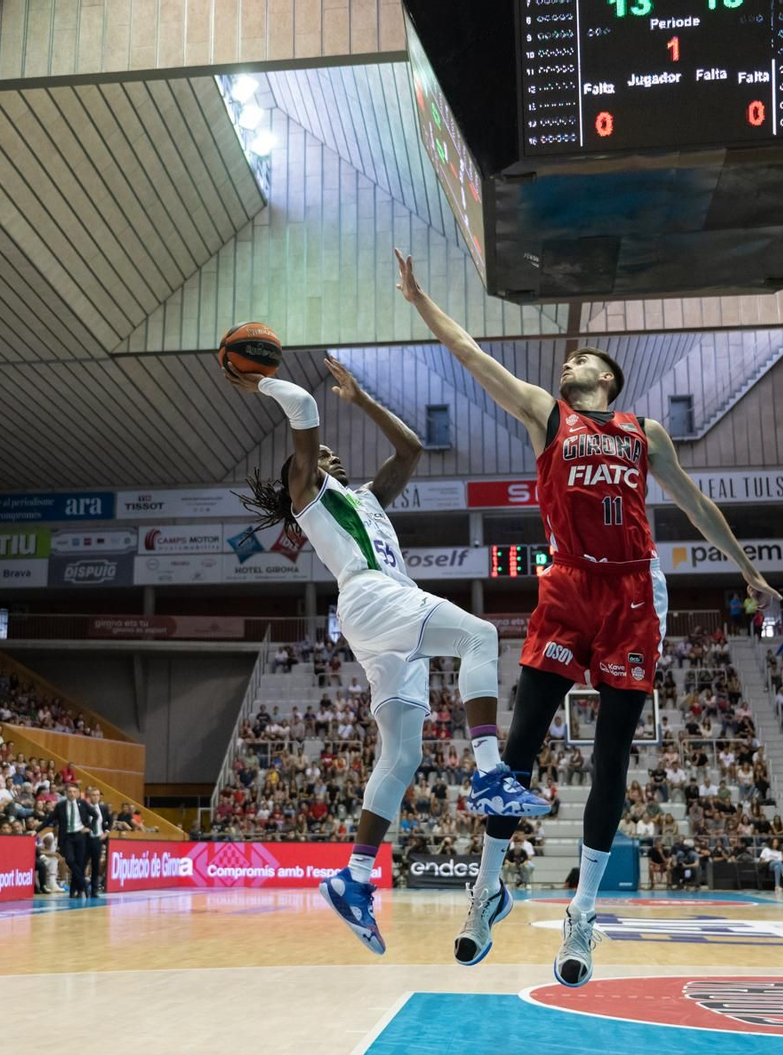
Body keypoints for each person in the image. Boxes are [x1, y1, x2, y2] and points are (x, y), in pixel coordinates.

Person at [395, 250, 777, 986]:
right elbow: (473, 356)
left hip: (633, 592)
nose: (567, 362)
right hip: (568, 585)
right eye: (566, 359)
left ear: (606, 377)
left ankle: (584, 913)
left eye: (580, 358)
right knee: (517, 752)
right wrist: (419, 302)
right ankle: (487, 892)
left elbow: (697, 504)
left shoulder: (645, 433)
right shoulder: (547, 412)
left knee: (610, 760)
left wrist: (748, 568)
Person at [226, 353, 547, 957]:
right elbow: (302, 408)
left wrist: (364, 400)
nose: (330, 455)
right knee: (480, 635)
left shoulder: (367, 497)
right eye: (320, 454)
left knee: (402, 754)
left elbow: (411, 449)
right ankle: (488, 775)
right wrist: (261, 381)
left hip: (380, 616)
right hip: (375, 598)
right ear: (304, 467)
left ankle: (354, 876)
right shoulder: (309, 493)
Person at [51, 784, 95, 898]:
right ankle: (84, 884)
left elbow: (95, 815)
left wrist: (89, 827)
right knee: (70, 860)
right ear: (66, 793)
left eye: (74, 791)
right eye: (69, 791)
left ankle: (74, 891)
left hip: (81, 836)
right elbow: (49, 819)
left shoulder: (83, 804)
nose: (72, 793)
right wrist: (36, 830)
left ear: (78, 793)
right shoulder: (61, 805)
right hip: (68, 837)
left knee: (79, 865)